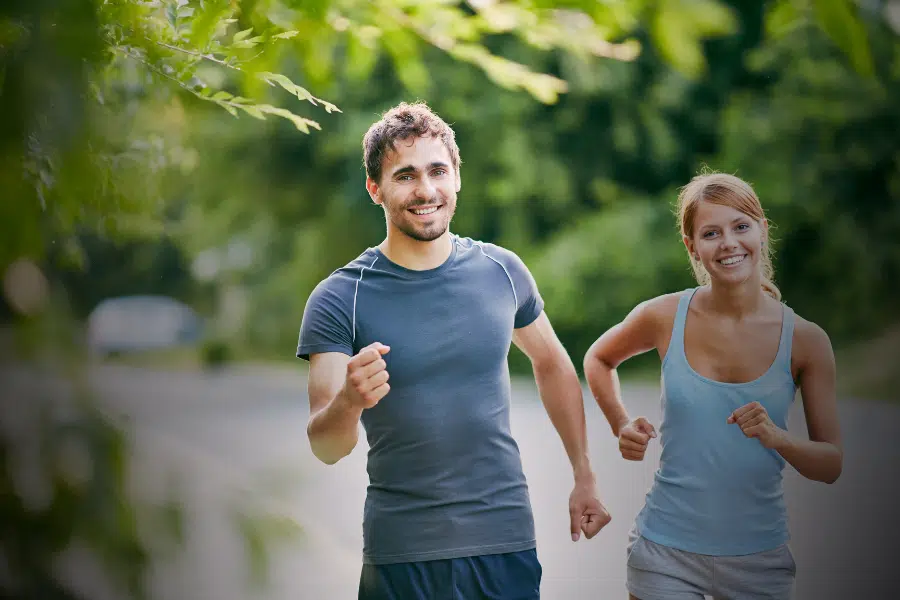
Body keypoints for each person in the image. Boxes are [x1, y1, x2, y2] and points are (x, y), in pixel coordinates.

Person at [297, 101, 610, 600]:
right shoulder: (340, 297)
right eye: (405, 175)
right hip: (403, 554)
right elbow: (325, 446)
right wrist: (350, 401)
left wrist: (583, 473)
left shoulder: (501, 270)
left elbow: (551, 363)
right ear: (375, 189)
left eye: (438, 170)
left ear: (457, 178)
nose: (426, 190)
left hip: (504, 543)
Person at [583, 171, 843, 600]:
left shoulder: (806, 341)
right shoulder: (664, 316)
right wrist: (621, 424)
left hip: (760, 560)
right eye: (711, 233)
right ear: (692, 247)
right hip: (664, 553)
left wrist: (778, 438)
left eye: (741, 226)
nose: (728, 243)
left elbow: (831, 464)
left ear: (761, 230)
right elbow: (599, 358)